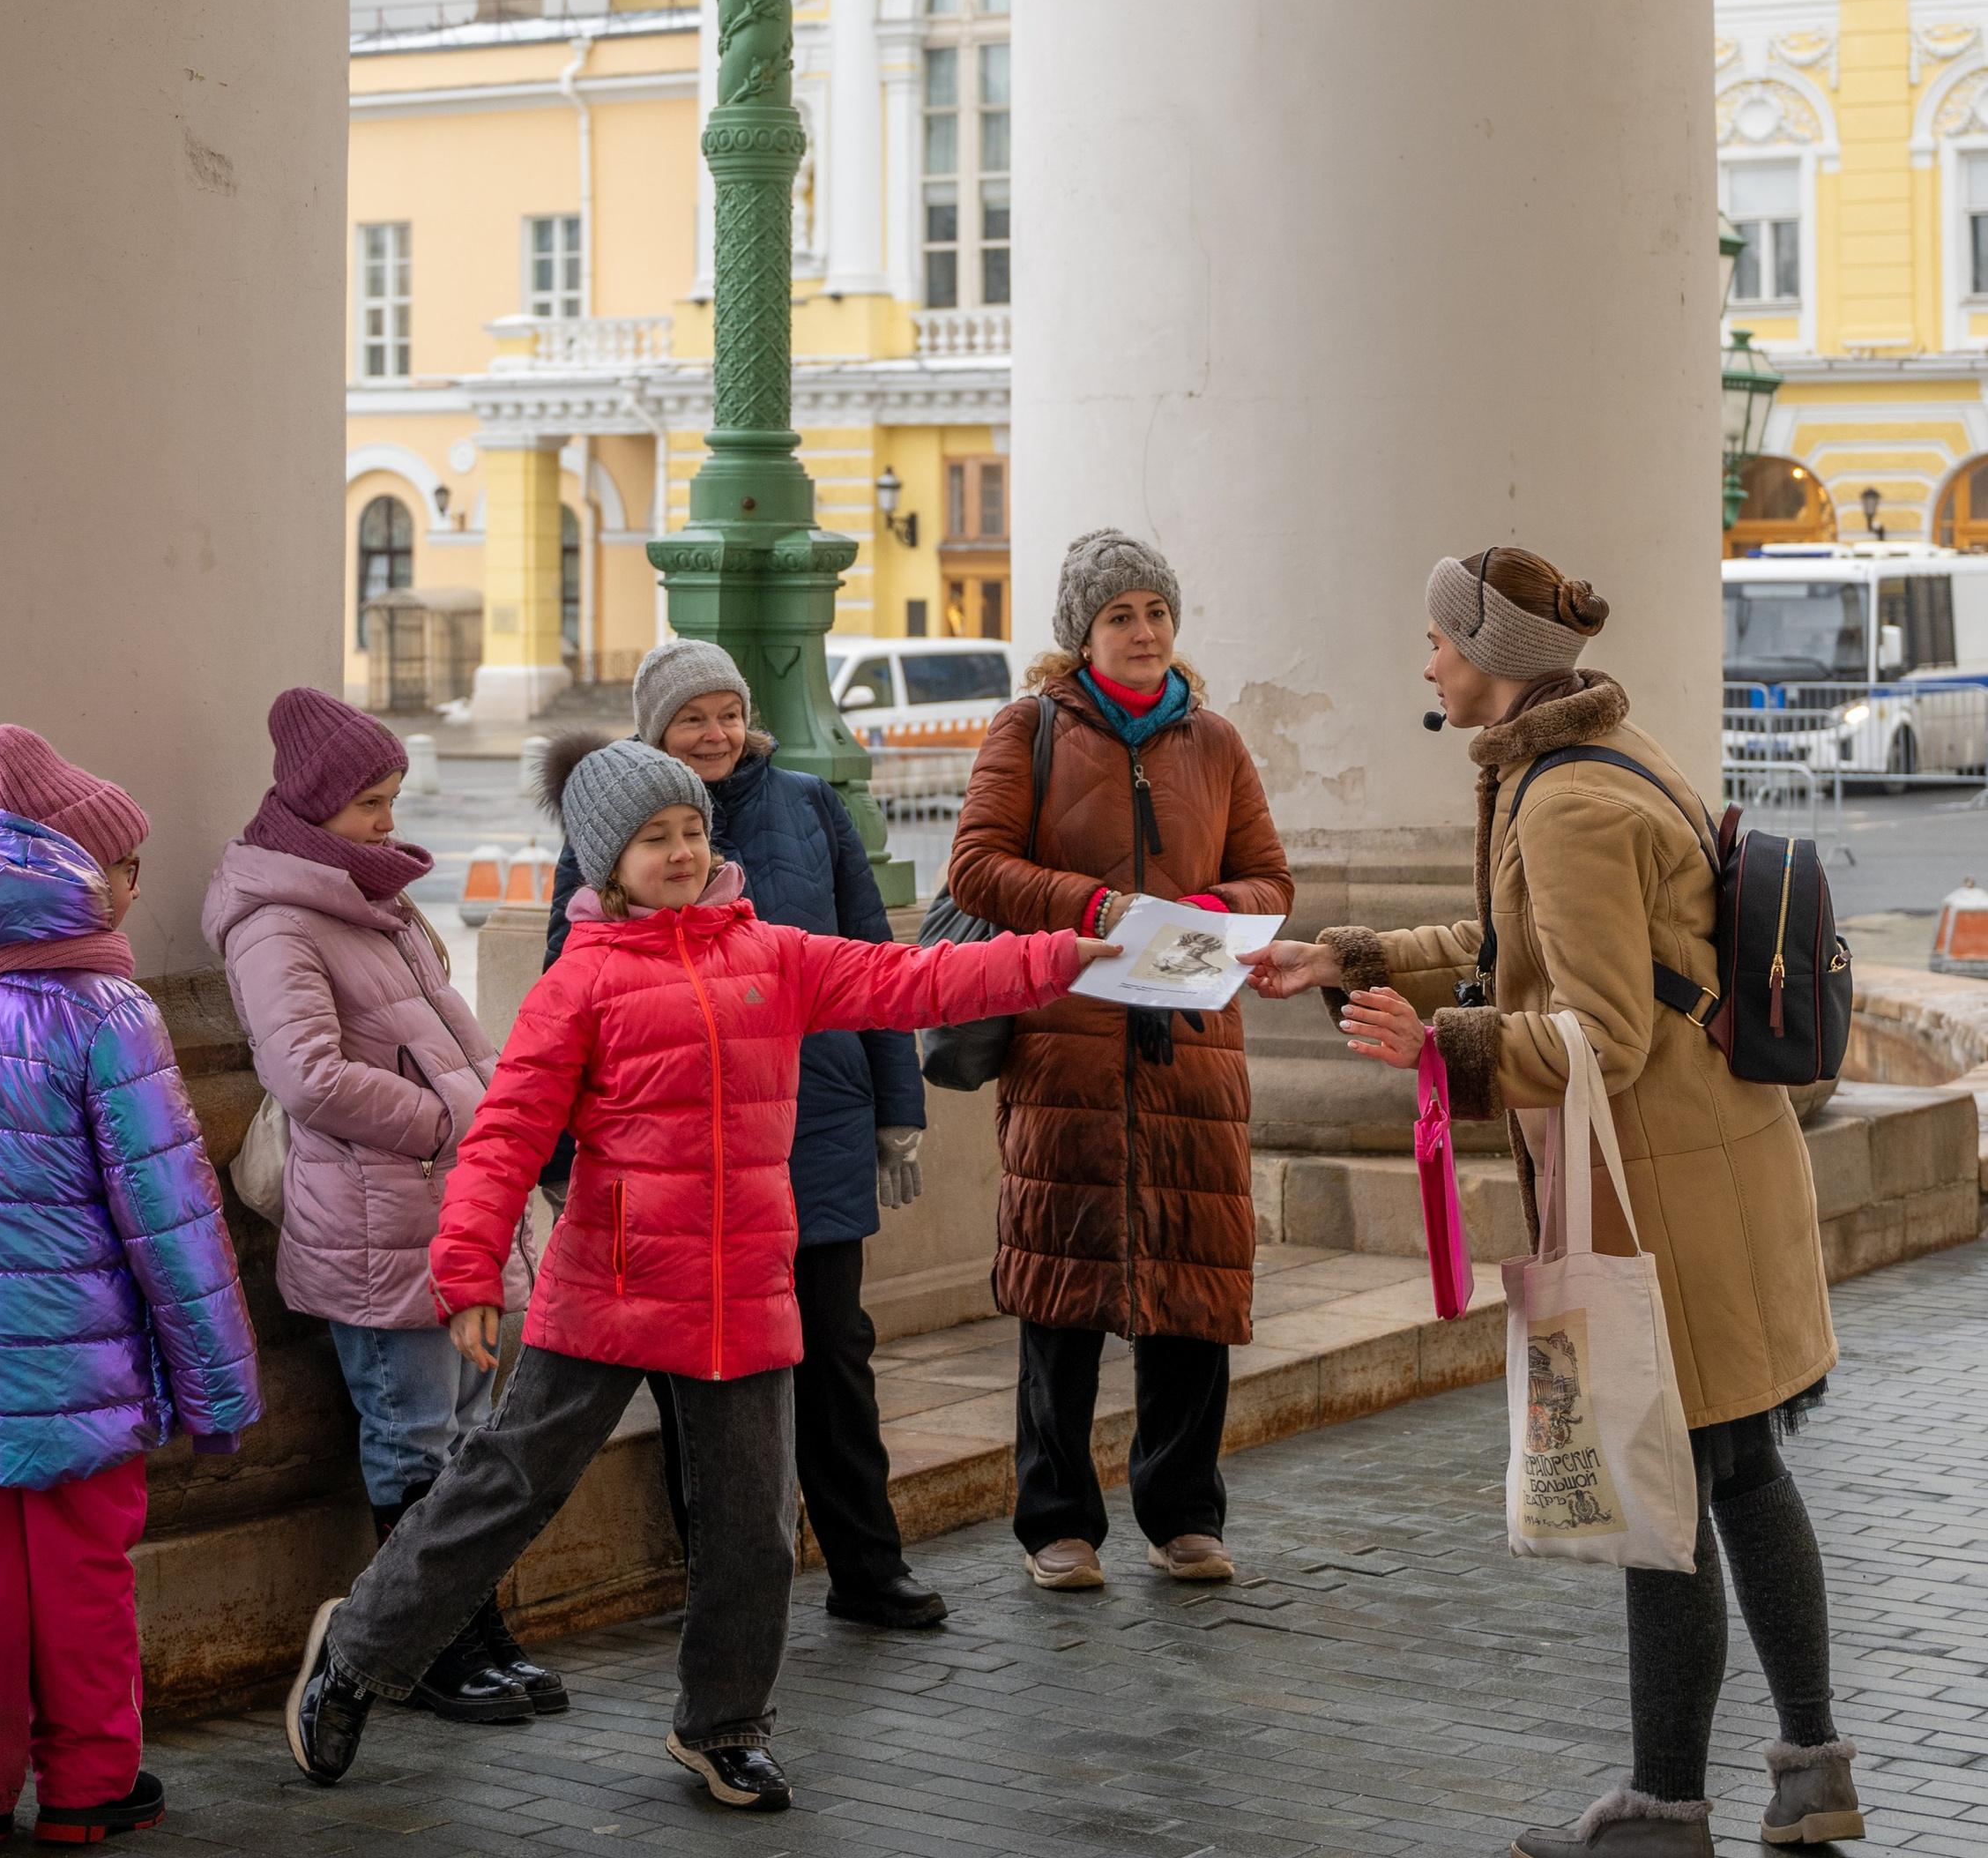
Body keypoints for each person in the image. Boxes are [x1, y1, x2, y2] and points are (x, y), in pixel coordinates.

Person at [286, 737, 1128, 1816]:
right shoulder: (579, 979)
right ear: (608, 860)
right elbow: (502, 1135)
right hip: (609, 1282)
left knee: (751, 1523)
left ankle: (723, 1724)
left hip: (741, 1285)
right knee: (503, 1488)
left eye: (691, 829)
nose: (682, 851)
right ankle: (355, 1653)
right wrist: (462, 1269)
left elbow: (916, 977)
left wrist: (1061, 953)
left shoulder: (771, 952)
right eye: (654, 837)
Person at [1247, 546, 1860, 1858]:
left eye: (1439, 642)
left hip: (1667, 1195)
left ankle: (1665, 1806)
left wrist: (1441, 1050)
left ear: (1499, 663)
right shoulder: (1595, 755)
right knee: (1742, 1471)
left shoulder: (1564, 803)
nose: (1425, 664)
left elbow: (1601, 1030)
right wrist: (1346, 959)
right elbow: (1510, 942)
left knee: (1666, 1501)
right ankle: (1813, 1774)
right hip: (1722, 1167)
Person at [0, 725, 262, 1858]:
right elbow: (172, 1219)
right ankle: (91, 1785)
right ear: (79, 874)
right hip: (79, 1360)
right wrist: (219, 1389)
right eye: (128, 863)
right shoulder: (102, 1014)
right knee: (83, 1571)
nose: (140, 883)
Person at [540, 638, 941, 1630]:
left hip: (818, 1118)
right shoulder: (613, 824)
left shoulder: (810, 804)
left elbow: (873, 955)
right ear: (656, 731)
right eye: (691, 718)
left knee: (835, 1351)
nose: (715, 733)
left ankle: (865, 1562)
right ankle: (714, 1579)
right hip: (685, 1146)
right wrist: (559, 1159)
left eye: (726, 712)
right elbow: (566, 999)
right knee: (699, 1372)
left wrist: (899, 1106)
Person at [943, 527, 1293, 1594]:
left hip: (1188, 1043)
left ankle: (1184, 1512)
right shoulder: (1029, 727)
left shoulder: (1217, 741)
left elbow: (1268, 881)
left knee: (1192, 1280)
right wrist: (1099, 907)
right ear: (1081, 634)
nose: (1142, 633)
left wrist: (1199, 911)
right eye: (1118, 617)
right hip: (1067, 1041)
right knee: (1062, 1285)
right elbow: (976, 866)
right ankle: (1056, 1519)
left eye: (1154, 612)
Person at [204, 685, 557, 1727]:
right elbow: (309, 1075)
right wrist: (458, 1118)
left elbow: (456, 1038)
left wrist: (502, 1122)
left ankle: (467, 1621)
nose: (388, 821)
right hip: (374, 1220)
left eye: (394, 797)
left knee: (468, 1437)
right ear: (313, 807)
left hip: (442, 1214)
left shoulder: (377, 902)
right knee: (416, 1438)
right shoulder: (279, 921)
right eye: (370, 802)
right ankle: (424, 1645)